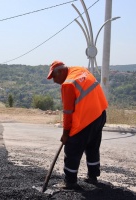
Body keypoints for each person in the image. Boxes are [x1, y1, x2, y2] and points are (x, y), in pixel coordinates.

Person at [47, 60, 108, 189]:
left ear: (62, 71)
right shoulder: (81, 70)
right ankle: (93, 176)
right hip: (100, 114)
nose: (54, 81)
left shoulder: (68, 84)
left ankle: (70, 182)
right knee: (92, 146)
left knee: (72, 149)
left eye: (54, 76)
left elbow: (68, 113)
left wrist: (65, 134)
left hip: (86, 119)